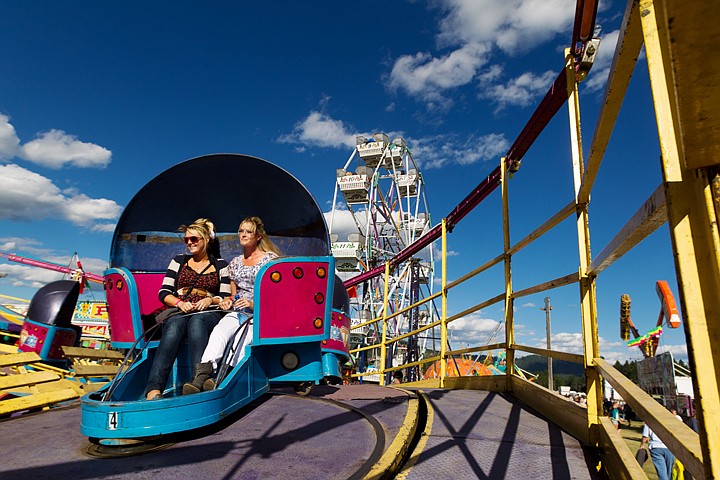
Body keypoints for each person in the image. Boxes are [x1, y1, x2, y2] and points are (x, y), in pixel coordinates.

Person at [183, 216, 280, 394]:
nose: (243, 234)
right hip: (239, 311)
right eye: (240, 231)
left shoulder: (270, 260)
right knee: (220, 331)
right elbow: (233, 293)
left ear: (258, 236)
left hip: (260, 313)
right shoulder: (235, 262)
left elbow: (276, 294)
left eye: (248, 231)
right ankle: (202, 376)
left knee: (240, 338)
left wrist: (252, 303)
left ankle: (224, 376)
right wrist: (228, 300)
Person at [144, 218, 231, 400]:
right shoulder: (178, 261)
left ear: (206, 240)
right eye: (187, 240)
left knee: (197, 322)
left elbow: (225, 295)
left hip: (208, 311)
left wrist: (209, 300)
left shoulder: (220, 265)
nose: (189, 243)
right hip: (182, 308)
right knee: (174, 325)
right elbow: (164, 292)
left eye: (194, 239)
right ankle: (154, 388)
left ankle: (197, 381)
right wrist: (179, 303)